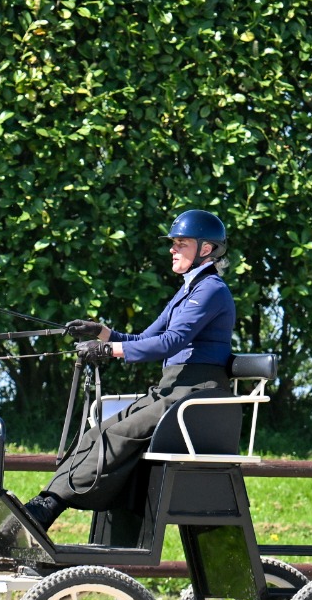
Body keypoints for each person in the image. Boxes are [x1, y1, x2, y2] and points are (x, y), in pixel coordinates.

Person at [21, 209, 236, 534]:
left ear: (205, 249)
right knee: (95, 432)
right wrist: (102, 333)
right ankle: (44, 503)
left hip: (196, 394)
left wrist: (109, 351)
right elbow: (146, 338)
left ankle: (47, 507)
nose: (172, 249)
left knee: (114, 435)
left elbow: (171, 342)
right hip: (172, 389)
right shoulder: (188, 290)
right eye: (173, 243)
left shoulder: (211, 290)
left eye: (181, 243)